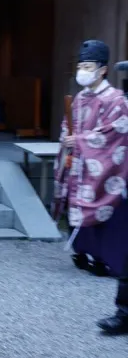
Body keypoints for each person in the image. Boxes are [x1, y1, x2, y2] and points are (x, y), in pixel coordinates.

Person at [50, 40, 128, 334]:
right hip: (80, 165)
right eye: (80, 67)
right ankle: (84, 254)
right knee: (76, 206)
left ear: (103, 70)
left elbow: (115, 133)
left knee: (104, 213)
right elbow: (66, 128)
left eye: (88, 67)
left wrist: (81, 142)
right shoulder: (80, 98)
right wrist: (69, 142)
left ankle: (104, 262)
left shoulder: (116, 100)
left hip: (100, 167)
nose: (83, 72)